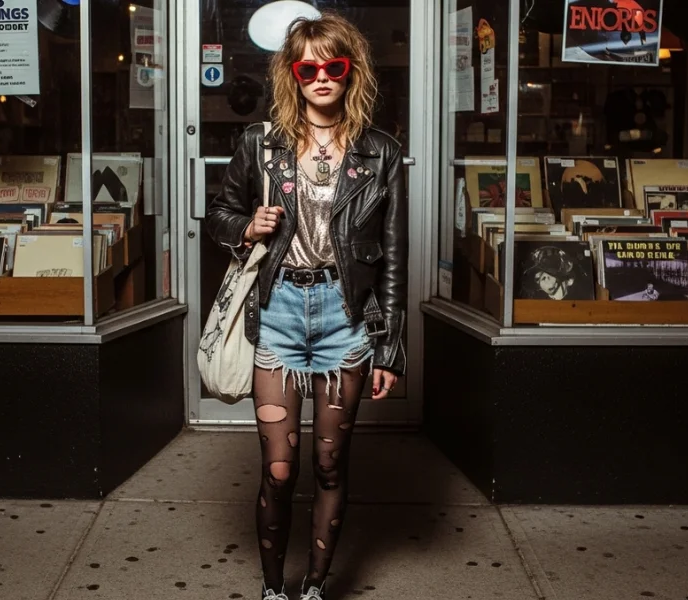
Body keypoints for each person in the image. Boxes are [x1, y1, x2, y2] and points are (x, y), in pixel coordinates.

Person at [204, 13, 407, 600]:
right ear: (293, 75)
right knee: (280, 470)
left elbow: (393, 256)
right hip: (280, 310)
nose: (322, 77)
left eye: (334, 66)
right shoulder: (260, 145)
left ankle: (314, 588)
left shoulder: (380, 153)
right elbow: (217, 215)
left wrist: (389, 347)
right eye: (309, 67)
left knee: (327, 468)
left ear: (351, 72)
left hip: (346, 320)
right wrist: (248, 226)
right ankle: (273, 592)